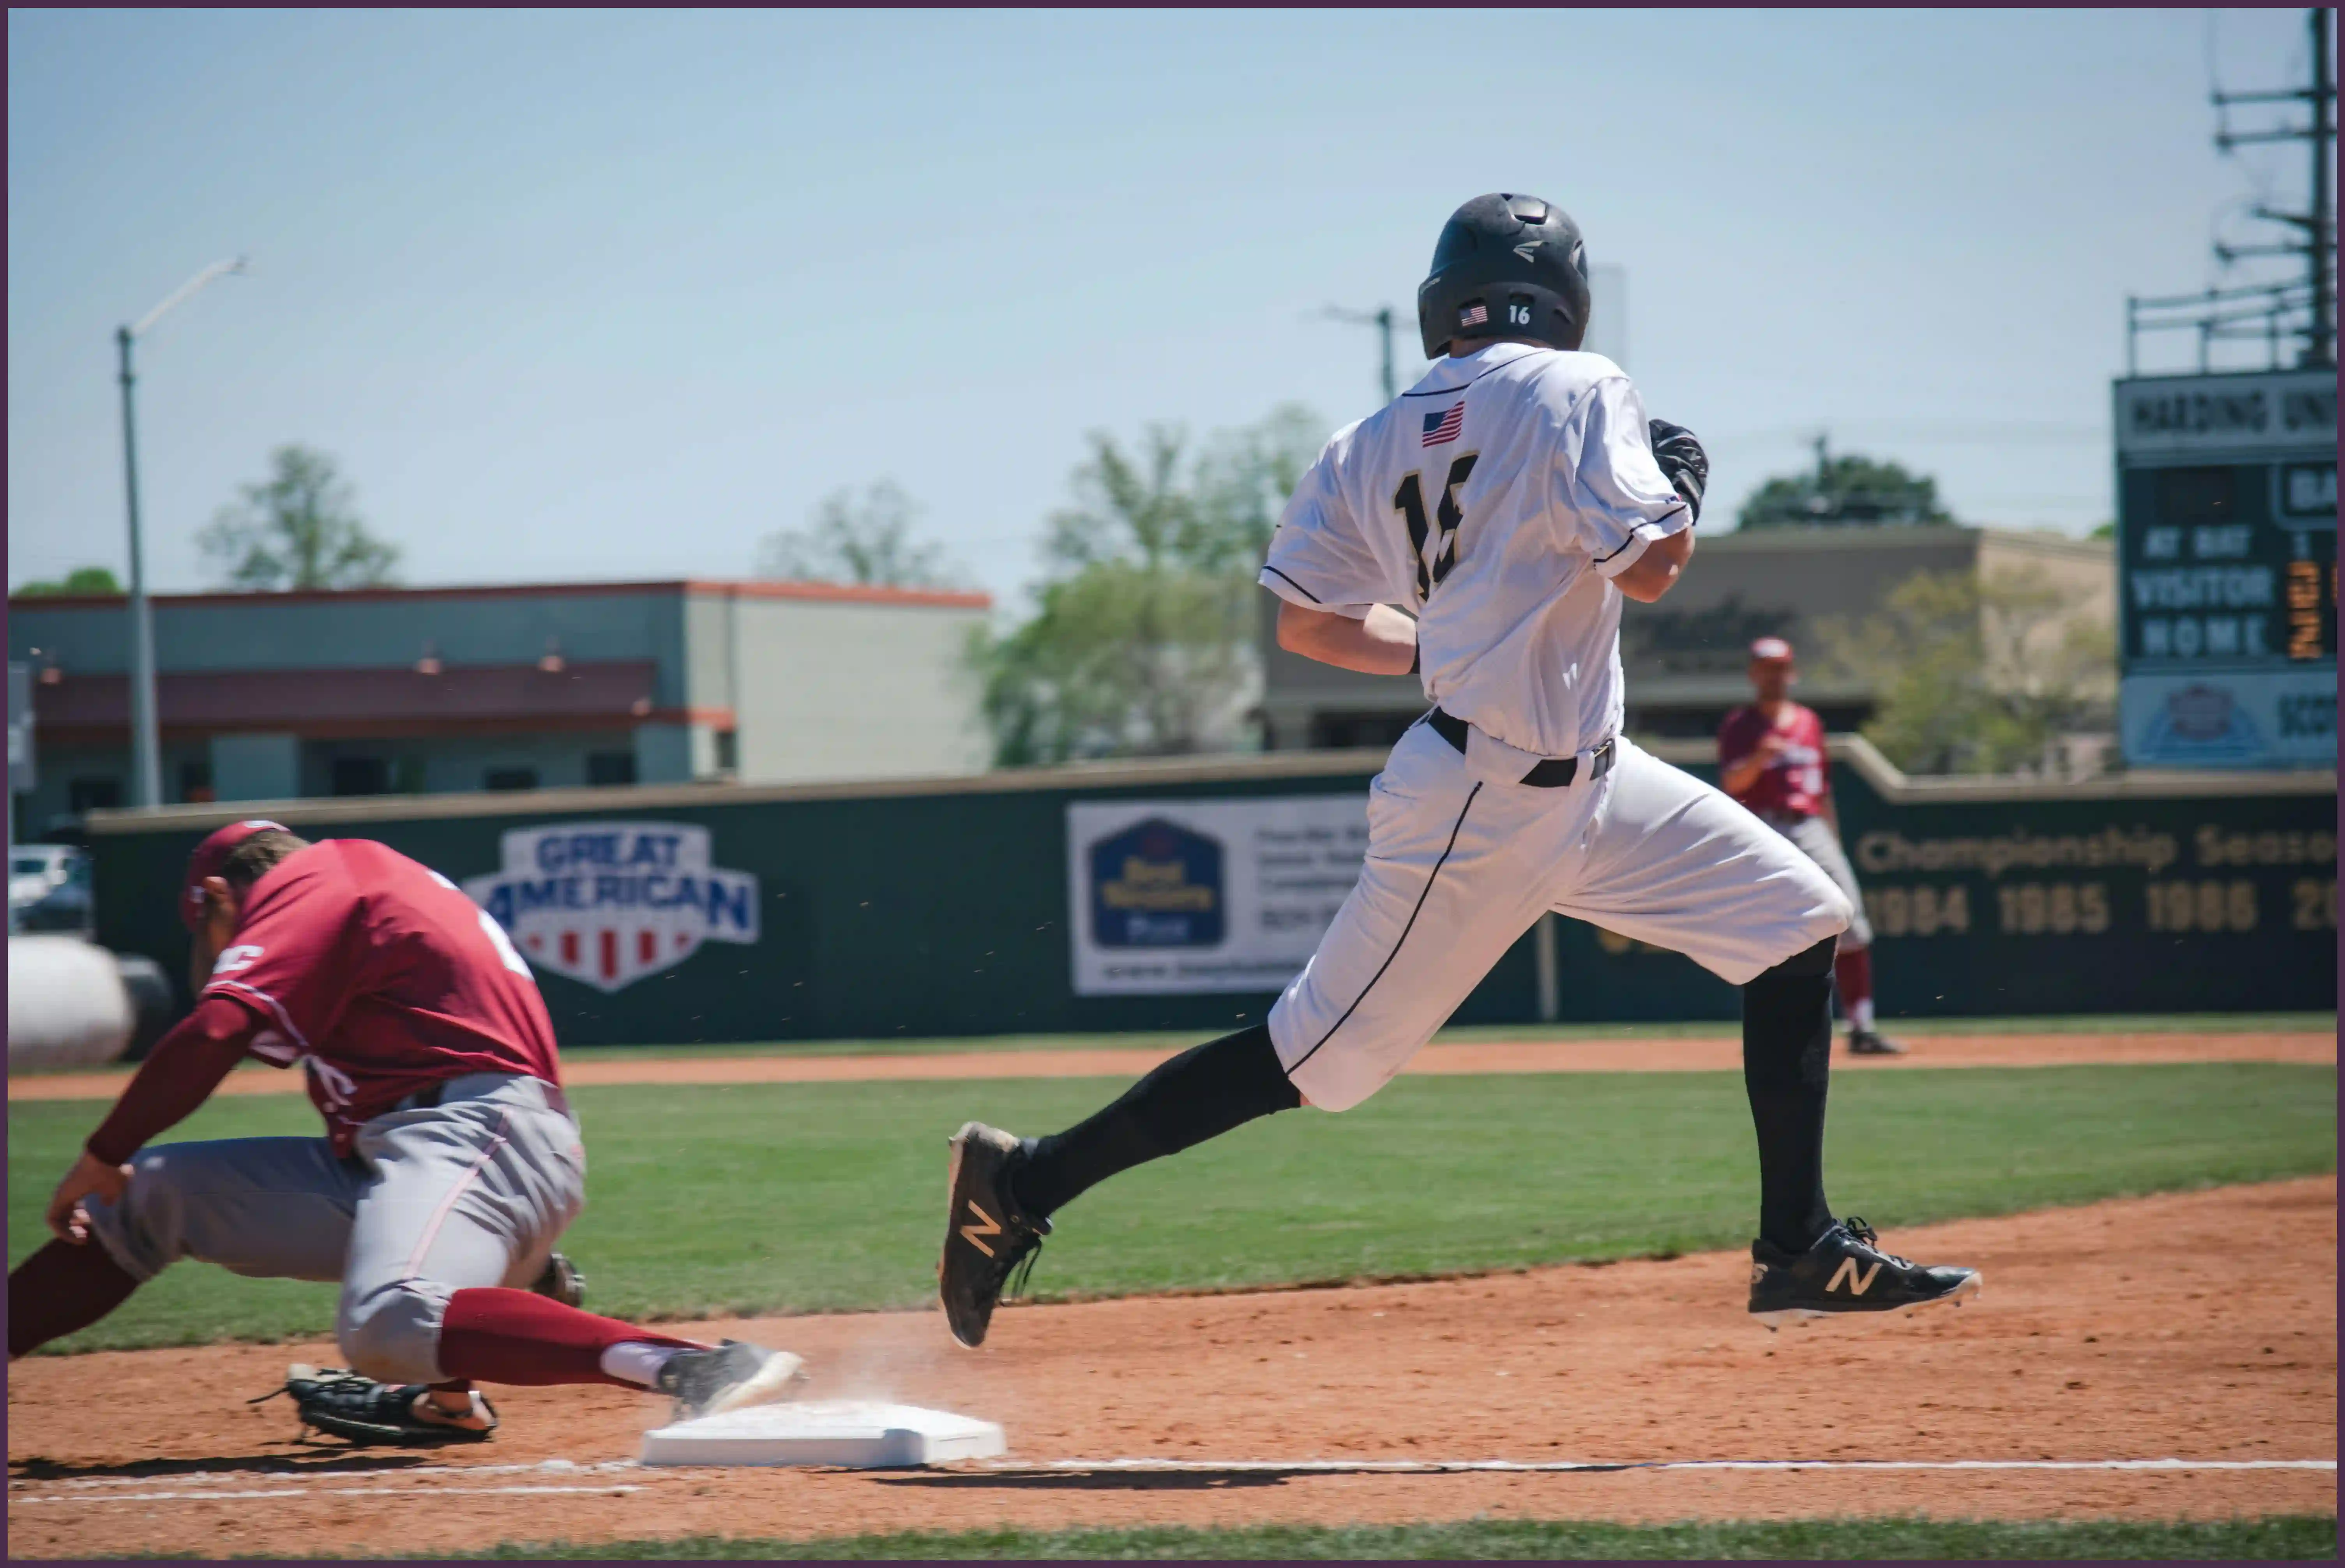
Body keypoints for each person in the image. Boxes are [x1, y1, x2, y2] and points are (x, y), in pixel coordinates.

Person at [938, 192, 1978, 1349]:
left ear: (1445, 303)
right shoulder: (1579, 386)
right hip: (1482, 802)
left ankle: (1797, 1244)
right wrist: (1681, 488)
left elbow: (1306, 625)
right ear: (1564, 300)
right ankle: (1023, 1182)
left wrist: (1439, 640)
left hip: (1590, 778)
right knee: (1315, 1058)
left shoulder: (1368, 437)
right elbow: (1651, 571)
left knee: (1796, 921)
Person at [8, 820, 802, 1444]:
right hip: (419, 1152)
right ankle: (450, 1391)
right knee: (151, 1194)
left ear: (218, 895)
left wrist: (99, 1150)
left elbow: (217, 1027)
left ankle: (695, 1366)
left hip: (481, 1135)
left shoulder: (319, 878)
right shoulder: (358, 889)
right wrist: (122, 1170)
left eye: (210, 928)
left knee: (387, 1321)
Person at [1718, 637, 1903, 1056]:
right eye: (1766, 667)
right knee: (1763, 930)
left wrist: (1832, 838)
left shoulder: (1808, 722)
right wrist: (1760, 756)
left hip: (1810, 825)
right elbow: (1732, 785)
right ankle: (1771, 1030)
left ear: (1792, 672)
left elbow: (1823, 791)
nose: (1774, 675)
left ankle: (1862, 1027)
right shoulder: (1740, 725)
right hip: (1762, 825)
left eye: (1781, 667)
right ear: (1753, 674)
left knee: (1849, 919)